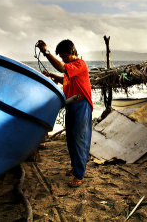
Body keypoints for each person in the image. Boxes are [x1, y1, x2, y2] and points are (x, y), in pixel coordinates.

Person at [36, 39, 93, 187]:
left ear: (73, 53)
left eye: (66, 56)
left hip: (82, 105)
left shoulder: (80, 64)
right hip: (71, 105)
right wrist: (51, 75)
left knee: (80, 140)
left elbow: (62, 68)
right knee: (71, 140)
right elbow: (64, 79)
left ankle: (79, 175)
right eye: (62, 57)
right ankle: (75, 168)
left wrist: (46, 52)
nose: (64, 60)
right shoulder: (71, 69)